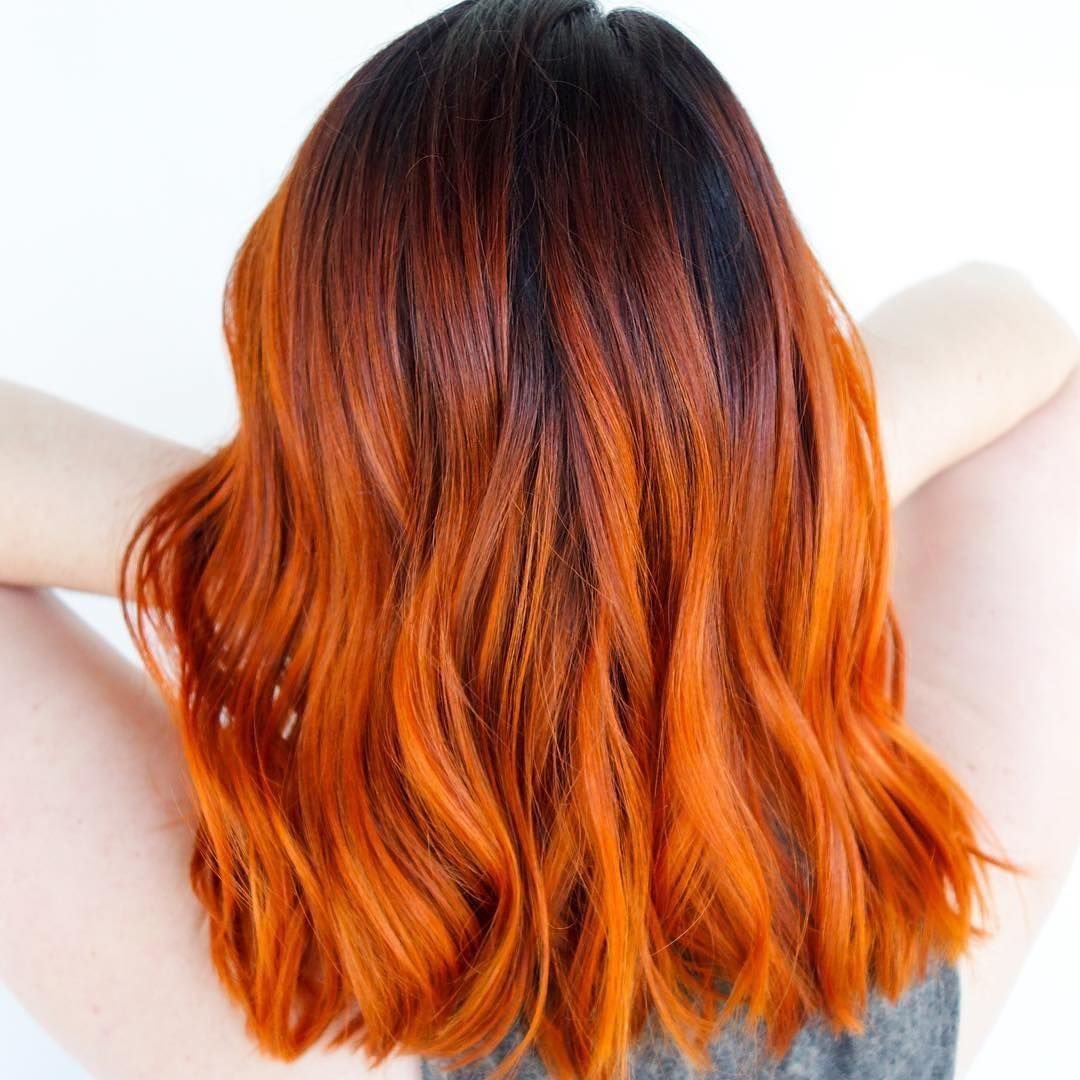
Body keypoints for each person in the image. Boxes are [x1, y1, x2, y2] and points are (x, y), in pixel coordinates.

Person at [1, 1, 1077, 1077]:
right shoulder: (920, 970)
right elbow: (1021, 328)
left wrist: (279, 558)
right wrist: (776, 509)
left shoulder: (306, 1034)